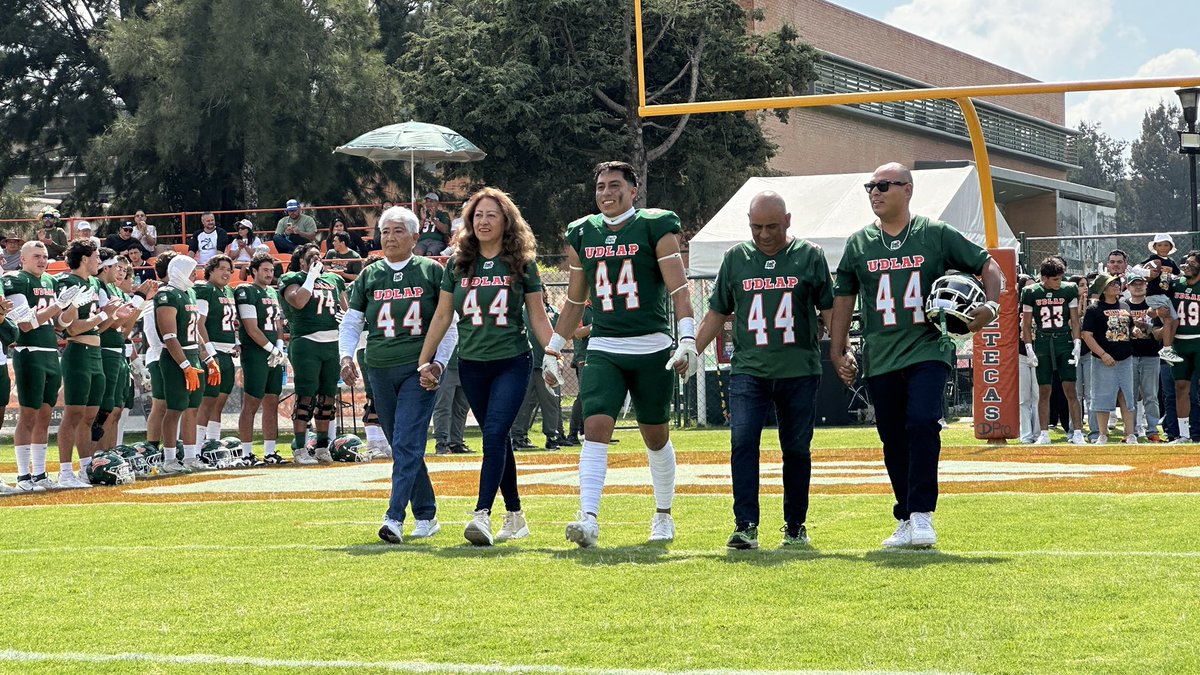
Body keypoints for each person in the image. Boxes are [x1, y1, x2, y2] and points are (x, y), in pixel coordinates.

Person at [829, 162, 1002, 549]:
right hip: (881, 354)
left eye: (884, 185)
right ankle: (906, 515)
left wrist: (991, 306)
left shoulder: (935, 234)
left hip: (927, 347)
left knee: (922, 422)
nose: (875, 192)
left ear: (907, 189)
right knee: (892, 437)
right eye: (870, 186)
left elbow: (987, 264)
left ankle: (922, 513)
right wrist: (838, 351)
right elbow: (844, 298)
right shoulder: (859, 244)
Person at [545, 161, 700, 548]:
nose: (606, 193)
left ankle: (663, 514)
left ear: (634, 191)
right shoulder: (583, 232)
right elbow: (576, 299)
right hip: (605, 346)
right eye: (600, 186)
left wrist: (686, 339)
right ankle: (589, 518)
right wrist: (552, 347)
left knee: (656, 434)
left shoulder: (655, 226)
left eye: (615, 185)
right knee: (595, 428)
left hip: (651, 346)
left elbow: (680, 290)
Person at [694, 190, 833, 549]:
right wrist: (691, 350)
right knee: (742, 442)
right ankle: (745, 525)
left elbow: (829, 309)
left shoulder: (810, 256)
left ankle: (795, 525)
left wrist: (843, 348)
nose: (765, 234)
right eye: (757, 227)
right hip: (749, 370)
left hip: (799, 369)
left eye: (772, 226)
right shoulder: (736, 258)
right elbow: (717, 312)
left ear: (788, 221)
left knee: (797, 449)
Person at [419, 187, 554, 546]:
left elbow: (538, 317)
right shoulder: (458, 262)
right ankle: (515, 514)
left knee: (493, 434)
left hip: (512, 360)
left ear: (506, 220)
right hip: (472, 363)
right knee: (500, 438)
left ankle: (482, 514)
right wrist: (425, 358)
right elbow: (443, 315)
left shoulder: (522, 263)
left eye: (491, 214)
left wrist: (555, 351)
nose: (483, 221)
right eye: (477, 215)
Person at [338, 206, 456, 544]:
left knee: (405, 442)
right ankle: (427, 514)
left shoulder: (431, 272)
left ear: (415, 237)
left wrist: (440, 363)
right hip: (378, 367)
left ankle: (394, 518)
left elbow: (449, 323)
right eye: (385, 231)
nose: (390, 237)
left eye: (398, 231)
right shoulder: (370, 274)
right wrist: (346, 356)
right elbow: (352, 321)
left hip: (419, 369)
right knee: (403, 444)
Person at [4, 241, 78, 491]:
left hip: (50, 352)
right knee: (28, 415)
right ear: (22, 259)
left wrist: (71, 307)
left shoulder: (50, 281)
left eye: (45, 256)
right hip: (29, 351)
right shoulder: (17, 280)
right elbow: (24, 323)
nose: (42, 260)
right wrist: (58, 305)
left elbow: (60, 324)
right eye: (36, 256)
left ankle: (40, 473)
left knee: (45, 416)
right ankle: (24, 476)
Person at [57, 240, 131, 485]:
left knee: (90, 416)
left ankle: (86, 468)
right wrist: (103, 314)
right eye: (96, 256)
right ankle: (66, 472)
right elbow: (72, 328)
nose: (99, 261)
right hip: (78, 351)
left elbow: (98, 325)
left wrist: (107, 316)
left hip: (95, 352)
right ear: (85, 258)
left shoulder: (90, 284)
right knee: (74, 414)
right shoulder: (69, 282)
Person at [280, 243, 347, 464]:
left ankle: (321, 446)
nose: (318, 259)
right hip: (307, 342)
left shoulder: (334, 280)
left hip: (332, 343)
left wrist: (343, 318)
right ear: (302, 261)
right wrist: (311, 276)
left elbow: (345, 310)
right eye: (312, 256)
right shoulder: (293, 278)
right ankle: (300, 447)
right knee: (306, 397)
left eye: (320, 255)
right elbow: (298, 301)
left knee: (328, 398)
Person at [155, 254, 216, 473]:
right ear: (179, 270)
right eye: (191, 270)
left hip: (192, 355)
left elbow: (196, 332)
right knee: (175, 409)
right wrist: (184, 365)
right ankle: (169, 459)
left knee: (192, 409)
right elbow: (170, 336)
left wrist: (207, 357)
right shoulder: (166, 294)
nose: (195, 274)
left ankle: (191, 456)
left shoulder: (189, 292)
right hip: (175, 359)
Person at [94, 249, 154, 451]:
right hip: (104, 350)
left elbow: (125, 330)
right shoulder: (99, 286)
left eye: (124, 269)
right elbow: (111, 325)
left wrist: (140, 301)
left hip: (118, 351)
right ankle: (95, 459)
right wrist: (139, 299)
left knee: (117, 410)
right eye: (117, 268)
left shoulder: (117, 292)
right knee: (103, 412)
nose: (120, 273)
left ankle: (110, 454)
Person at [1021, 256, 1085, 445]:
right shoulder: (1030, 292)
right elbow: (1026, 325)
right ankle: (1044, 433)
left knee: (1070, 388)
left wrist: (1077, 343)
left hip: (1064, 340)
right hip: (1042, 342)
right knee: (1044, 390)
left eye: (1060, 278)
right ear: (1044, 278)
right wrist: (1029, 348)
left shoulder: (1068, 289)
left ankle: (1078, 432)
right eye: (1055, 279)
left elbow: (1074, 320)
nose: (1059, 282)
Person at [236, 252, 289, 464]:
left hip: (271, 352)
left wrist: (279, 346)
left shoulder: (272, 293)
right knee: (251, 402)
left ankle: (269, 451)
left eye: (271, 270)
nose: (269, 274)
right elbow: (250, 327)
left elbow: (277, 324)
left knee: (272, 400)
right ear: (254, 271)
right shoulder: (246, 290)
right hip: (255, 353)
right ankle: (246, 453)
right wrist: (270, 349)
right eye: (265, 270)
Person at [1081, 274, 1137, 444]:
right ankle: (1102, 434)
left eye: (1117, 284)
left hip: (1125, 358)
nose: (1116, 286)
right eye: (1111, 284)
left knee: (1127, 396)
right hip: (1102, 360)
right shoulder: (1094, 309)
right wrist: (1103, 354)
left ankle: (1130, 434)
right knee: (1102, 396)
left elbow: (1131, 328)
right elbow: (1087, 335)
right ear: (1103, 289)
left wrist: (1136, 332)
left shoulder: (1125, 306)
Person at [194, 255, 238, 445]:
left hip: (228, 353)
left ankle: (213, 445)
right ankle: (195, 448)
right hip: (213, 353)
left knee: (219, 404)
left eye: (229, 269)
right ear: (210, 270)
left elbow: (228, 322)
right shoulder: (205, 289)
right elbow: (199, 324)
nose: (226, 273)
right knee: (207, 402)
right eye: (221, 268)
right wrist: (210, 353)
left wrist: (235, 340)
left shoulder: (228, 291)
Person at [511, 300, 565, 450]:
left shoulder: (553, 311)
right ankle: (518, 436)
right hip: (526, 363)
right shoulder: (519, 310)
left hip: (547, 365)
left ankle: (552, 436)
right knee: (523, 403)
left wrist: (558, 358)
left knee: (551, 402)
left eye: (543, 290)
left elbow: (563, 331)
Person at [1125, 268, 1164, 442]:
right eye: (1134, 284)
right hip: (1129, 355)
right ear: (1128, 286)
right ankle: (1131, 430)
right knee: (1130, 395)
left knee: (1151, 395)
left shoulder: (1153, 305)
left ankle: (1153, 430)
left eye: (1141, 283)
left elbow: (1160, 330)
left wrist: (1145, 328)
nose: (1138, 286)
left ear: (1146, 284)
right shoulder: (1123, 305)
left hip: (1151, 354)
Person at [1167, 250, 1200, 444]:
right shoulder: (1176, 284)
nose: (1187, 265)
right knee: (1181, 387)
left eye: (1192, 263)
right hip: (1180, 341)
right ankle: (1184, 434)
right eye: (1186, 262)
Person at [1140, 233, 1183, 365]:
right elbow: (1137, 268)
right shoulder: (1153, 259)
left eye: (1166, 245)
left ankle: (1169, 348)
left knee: (1175, 321)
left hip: (1165, 295)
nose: (1163, 247)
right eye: (1160, 245)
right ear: (1155, 247)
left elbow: (1180, 274)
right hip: (1155, 295)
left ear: (1171, 247)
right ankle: (1166, 349)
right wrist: (1148, 273)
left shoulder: (1171, 262)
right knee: (1169, 319)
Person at [431, 346, 472, 455]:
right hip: (447, 365)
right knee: (443, 406)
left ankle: (456, 442)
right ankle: (441, 442)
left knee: (462, 407)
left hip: (467, 364)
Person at [1016, 274, 1040, 443]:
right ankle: (1026, 434)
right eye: (1027, 288)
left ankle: (1039, 433)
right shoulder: (1014, 310)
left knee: (1038, 396)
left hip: (1039, 355)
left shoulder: (1041, 307)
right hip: (1020, 355)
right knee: (1023, 397)